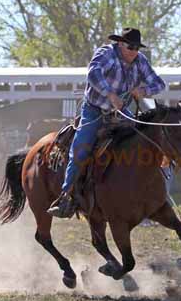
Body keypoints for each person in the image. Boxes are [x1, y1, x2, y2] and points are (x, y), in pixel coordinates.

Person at [47, 28, 166, 218]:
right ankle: (66, 196)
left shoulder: (140, 61)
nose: (134, 51)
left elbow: (159, 84)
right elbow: (93, 74)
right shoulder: (107, 54)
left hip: (120, 112)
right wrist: (110, 94)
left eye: (136, 47)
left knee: (143, 140)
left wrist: (142, 91)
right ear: (120, 43)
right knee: (81, 148)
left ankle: (142, 191)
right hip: (94, 109)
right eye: (130, 46)